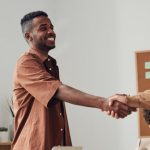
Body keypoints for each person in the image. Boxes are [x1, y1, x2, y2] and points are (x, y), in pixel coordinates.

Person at [12, 10, 135, 150]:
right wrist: (105, 103)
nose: (51, 31)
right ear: (29, 36)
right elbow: (58, 90)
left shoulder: (51, 64)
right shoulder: (25, 63)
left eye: (51, 27)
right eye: (43, 28)